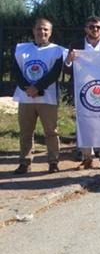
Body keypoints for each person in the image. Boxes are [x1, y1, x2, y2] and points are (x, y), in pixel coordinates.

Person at [12, 19, 66, 174]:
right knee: (26, 132)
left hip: (48, 98)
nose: (42, 32)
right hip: (25, 97)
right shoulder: (21, 49)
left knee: (51, 131)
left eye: (45, 30)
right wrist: (27, 88)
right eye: (39, 29)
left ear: (50, 32)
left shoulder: (57, 51)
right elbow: (16, 71)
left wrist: (37, 87)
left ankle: (53, 161)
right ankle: (25, 162)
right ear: (33, 30)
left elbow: (55, 73)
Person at [65, 16, 100, 169]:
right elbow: (67, 70)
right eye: (91, 27)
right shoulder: (75, 45)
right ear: (86, 28)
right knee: (85, 123)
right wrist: (69, 60)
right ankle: (87, 157)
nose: (95, 29)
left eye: (98, 27)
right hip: (83, 91)